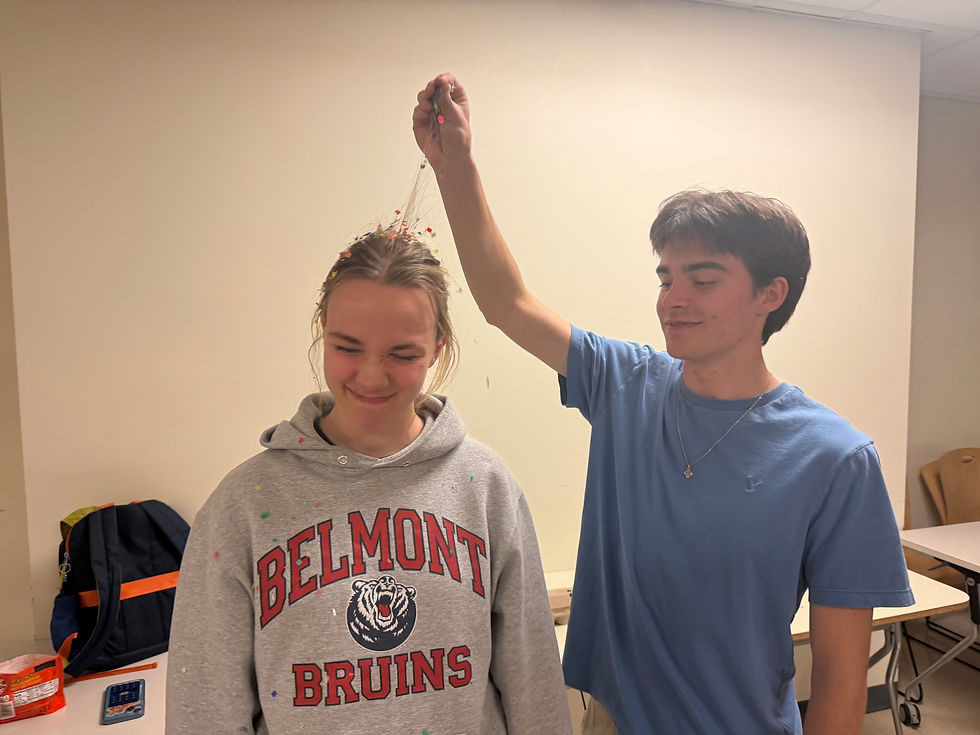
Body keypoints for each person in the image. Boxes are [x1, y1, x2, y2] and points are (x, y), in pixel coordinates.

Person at [412, 74, 913, 735]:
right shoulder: (626, 383)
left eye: (702, 279)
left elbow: (844, 675)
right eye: (666, 278)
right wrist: (457, 169)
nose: (672, 298)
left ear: (771, 294)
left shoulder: (836, 457)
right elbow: (509, 303)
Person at [166, 227, 572, 734]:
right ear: (322, 329)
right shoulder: (243, 505)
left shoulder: (485, 487)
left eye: (402, 354)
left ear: (438, 347)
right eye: (348, 347)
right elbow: (205, 704)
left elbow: (533, 682)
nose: (372, 376)